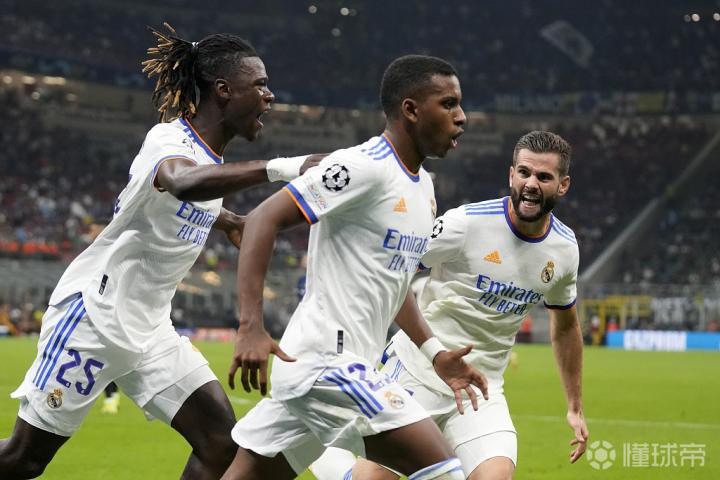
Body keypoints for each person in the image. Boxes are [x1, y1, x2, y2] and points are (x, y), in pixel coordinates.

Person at [0, 23, 320, 479]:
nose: (269, 97)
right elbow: (181, 182)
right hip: (95, 318)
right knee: (23, 460)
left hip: (150, 331)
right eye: (260, 85)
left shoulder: (210, 160)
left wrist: (232, 221)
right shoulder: (170, 140)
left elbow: (193, 199)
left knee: (221, 447)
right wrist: (283, 168)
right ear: (224, 91)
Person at [221, 55, 487, 480]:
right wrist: (250, 325)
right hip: (327, 363)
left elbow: (396, 284)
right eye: (449, 104)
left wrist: (436, 355)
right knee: (444, 471)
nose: (462, 117)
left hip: (334, 364)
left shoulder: (423, 187)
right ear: (411, 109)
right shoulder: (363, 165)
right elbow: (262, 219)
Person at [312, 130, 589, 480]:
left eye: (544, 177)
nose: (531, 184)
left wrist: (575, 406)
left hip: (481, 389)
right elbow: (390, 272)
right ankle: (330, 460)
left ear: (563, 185)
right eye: (524, 172)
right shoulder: (466, 223)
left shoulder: (564, 250)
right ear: (511, 175)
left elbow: (565, 326)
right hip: (417, 374)